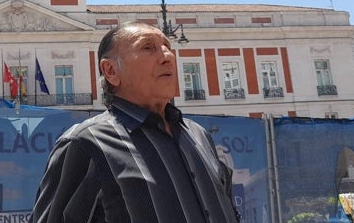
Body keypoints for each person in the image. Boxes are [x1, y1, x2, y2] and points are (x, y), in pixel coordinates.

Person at [30, 20, 240, 223]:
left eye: (167, 46)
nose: (167, 56)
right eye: (148, 48)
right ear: (111, 71)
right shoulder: (86, 144)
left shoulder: (198, 135)